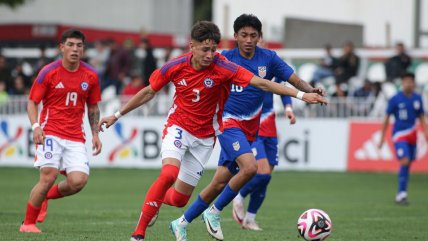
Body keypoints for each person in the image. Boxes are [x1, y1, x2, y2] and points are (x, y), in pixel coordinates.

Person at [98, 20, 326, 241]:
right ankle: (138, 234)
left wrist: (302, 95)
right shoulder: (176, 66)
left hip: (205, 137)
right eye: (205, 50)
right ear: (192, 47)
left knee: (179, 199)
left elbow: (262, 83)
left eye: (213, 49)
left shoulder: (224, 67)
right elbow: (149, 91)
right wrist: (116, 115)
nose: (210, 55)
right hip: (179, 127)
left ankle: (158, 203)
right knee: (170, 174)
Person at [170, 14, 325, 241]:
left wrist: (312, 90)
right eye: (244, 35)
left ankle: (181, 223)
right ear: (235, 36)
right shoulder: (223, 59)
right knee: (251, 168)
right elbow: (195, 68)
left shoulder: (269, 59)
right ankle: (214, 213)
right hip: (228, 123)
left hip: (250, 128)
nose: (249, 40)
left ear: (259, 37)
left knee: (219, 182)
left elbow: (294, 79)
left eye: (253, 35)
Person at [19, 29, 102, 233]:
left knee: (78, 181)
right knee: (48, 176)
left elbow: (92, 107)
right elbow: (32, 102)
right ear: (62, 47)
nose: (75, 49)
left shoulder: (90, 75)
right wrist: (36, 126)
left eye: (79, 45)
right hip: (50, 133)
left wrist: (95, 134)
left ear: (83, 49)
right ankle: (28, 224)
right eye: (71, 45)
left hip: (75, 136)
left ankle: (45, 196)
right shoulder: (49, 71)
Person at [232, 88, 295, 231]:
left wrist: (288, 108)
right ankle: (238, 195)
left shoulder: (272, 67)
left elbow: (284, 90)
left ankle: (249, 219)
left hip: (270, 131)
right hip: (252, 129)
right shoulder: (243, 67)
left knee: (265, 179)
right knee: (263, 172)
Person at [378, 72, 428, 205]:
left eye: (411, 81)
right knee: (404, 161)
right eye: (406, 81)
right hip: (399, 135)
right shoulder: (395, 99)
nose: (408, 84)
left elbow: (422, 117)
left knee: (408, 163)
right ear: (402, 83)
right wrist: (382, 137)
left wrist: (426, 132)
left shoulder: (417, 98)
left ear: (414, 83)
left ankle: (402, 192)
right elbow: (387, 118)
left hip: (412, 135)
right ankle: (401, 194)